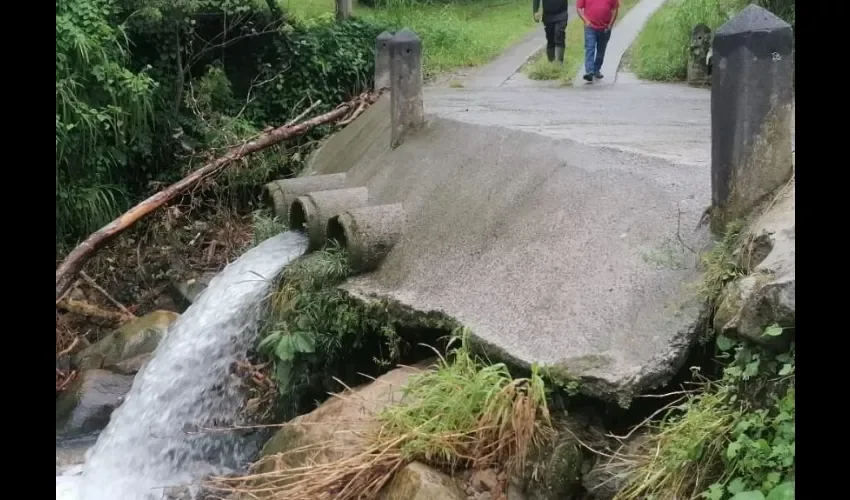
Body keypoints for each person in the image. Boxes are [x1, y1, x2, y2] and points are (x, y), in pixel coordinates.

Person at [577, 0, 619, 82]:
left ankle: (596, 69)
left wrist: (610, 24)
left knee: (601, 50)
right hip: (590, 27)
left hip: (605, 28)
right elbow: (578, 8)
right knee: (590, 47)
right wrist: (585, 20)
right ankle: (589, 71)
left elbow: (615, 9)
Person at [533, 0, 570, 64]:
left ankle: (559, 63)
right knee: (550, 39)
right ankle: (551, 62)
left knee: (559, 36)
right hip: (548, 15)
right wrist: (535, 10)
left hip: (561, 13)